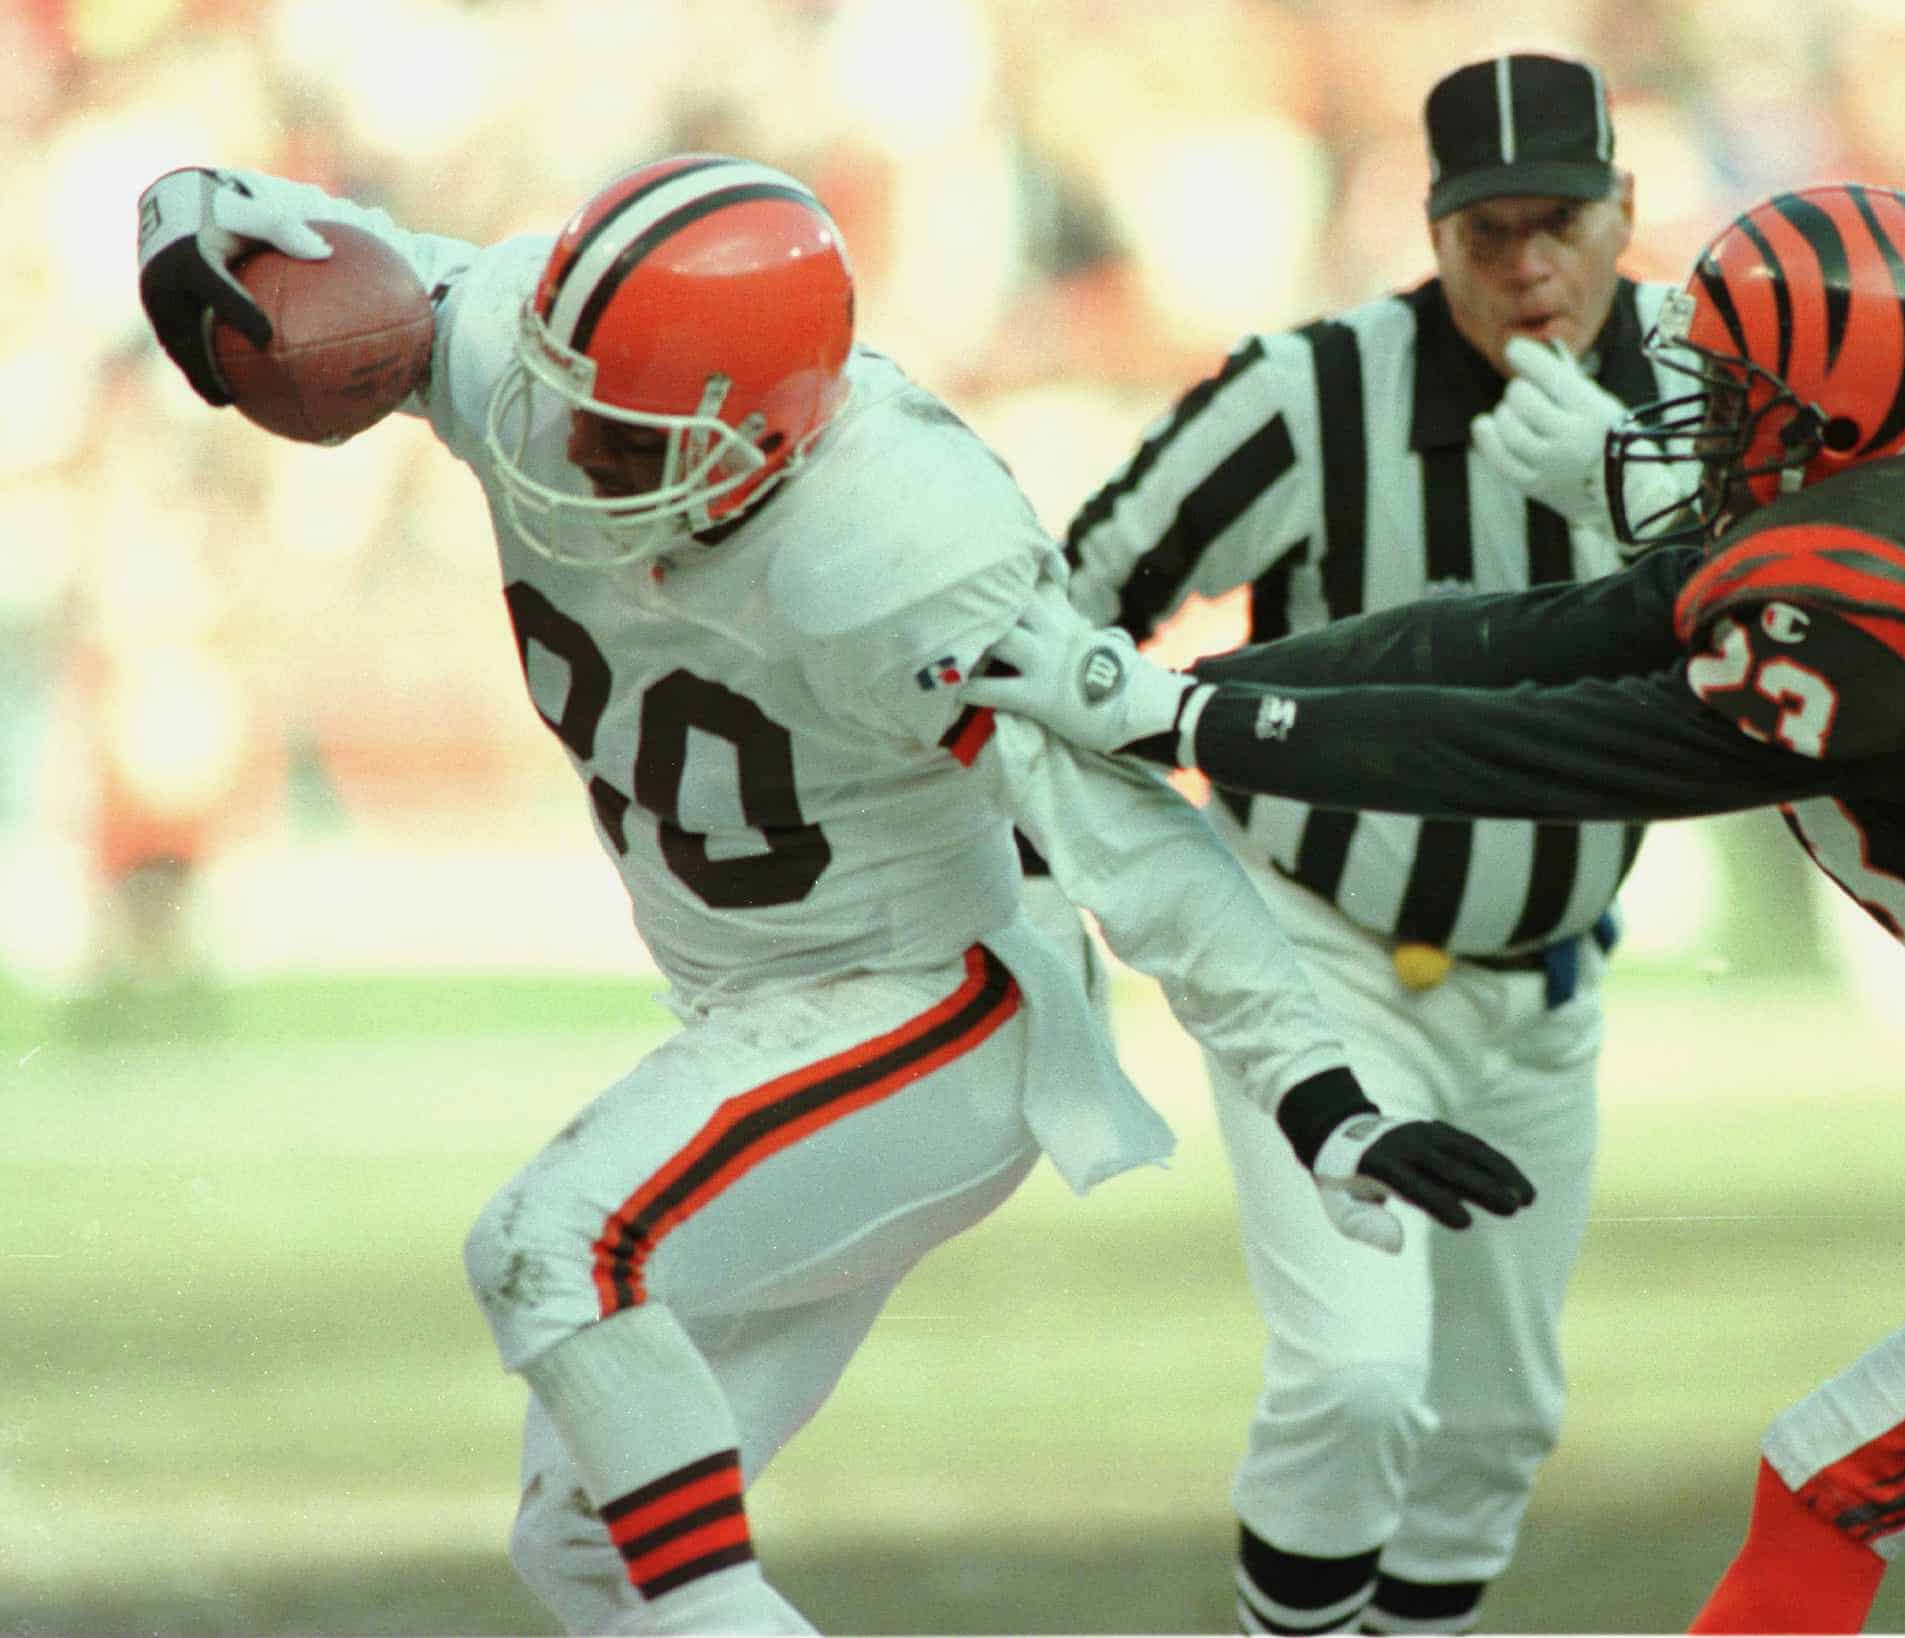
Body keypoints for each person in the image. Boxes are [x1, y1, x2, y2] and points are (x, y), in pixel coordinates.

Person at [132, 156, 1538, 1637]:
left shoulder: (901, 545)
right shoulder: (536, 356)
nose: (571, 448)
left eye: (626, 433)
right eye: (567, 396)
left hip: (932, 1006)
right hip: (754, 1009)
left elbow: (1133, 844)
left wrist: (1319, 1093)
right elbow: (329, 263)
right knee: (589, 1547)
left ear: (764, 434)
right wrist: (187, 215)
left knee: (554, 1246)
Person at [965, 181, 1905, 1634]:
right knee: (1831, 1471)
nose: (1701, 408)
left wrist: (1194, 725)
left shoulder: (1871, 593)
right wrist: (1178, 699)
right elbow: (1509, 636)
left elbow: (1535, 750)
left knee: (1831, 1480)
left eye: (1739, 387)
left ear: (1836, 420)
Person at [1022, 50, 1695, 1638]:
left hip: (1544, 981)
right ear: (1431, 229)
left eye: (1560, 223)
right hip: (1320, 944)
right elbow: (1073, 605)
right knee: (1356, 1375)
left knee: (1492, 1424)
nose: (1529, 265)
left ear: (1626, 212)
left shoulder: (1705, 374)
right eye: (1487, 232)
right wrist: (1094, 862)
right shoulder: (1313, 391)